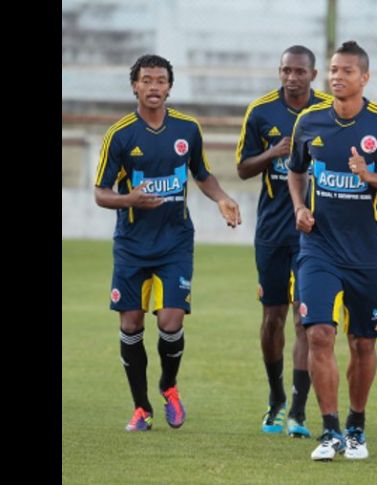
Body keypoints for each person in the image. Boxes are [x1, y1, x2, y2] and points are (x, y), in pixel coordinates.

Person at [94, 54, 241, 432]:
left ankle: (168, 385)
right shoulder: (120, 135)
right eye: (147, 80)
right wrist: (129, 200)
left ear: (169, 87)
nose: (154, 86)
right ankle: (141, 407)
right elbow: (100, 192)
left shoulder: (187, 129)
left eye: (161, 80)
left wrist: (222, 197)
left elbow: (202, 174)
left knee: (171, 319)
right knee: (130, 325)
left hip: (175, 241)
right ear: (135, 86)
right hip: (132, 244)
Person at [287, 40, 377, 461]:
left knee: (363, 344)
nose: (337, 77)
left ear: (364, 78)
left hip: (369, 253)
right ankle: (330, 431)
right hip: (318, 248)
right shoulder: (309, 122)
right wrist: (301, 206)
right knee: (319, 333)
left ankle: (357, 428)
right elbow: (295, 171)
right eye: (333, 70)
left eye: (346, 71)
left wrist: (370, 176)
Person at [235, 45, 332, 438]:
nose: (291, 77)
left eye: (299, 71)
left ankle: (297, 408)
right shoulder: (260, 112)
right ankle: (275, 397)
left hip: (315, 232)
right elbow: (242, 167)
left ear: (313, 75)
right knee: (272, 318)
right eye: (285, 71)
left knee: (305, 320)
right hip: (273, 230)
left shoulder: (329, 111)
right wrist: (272, 153)